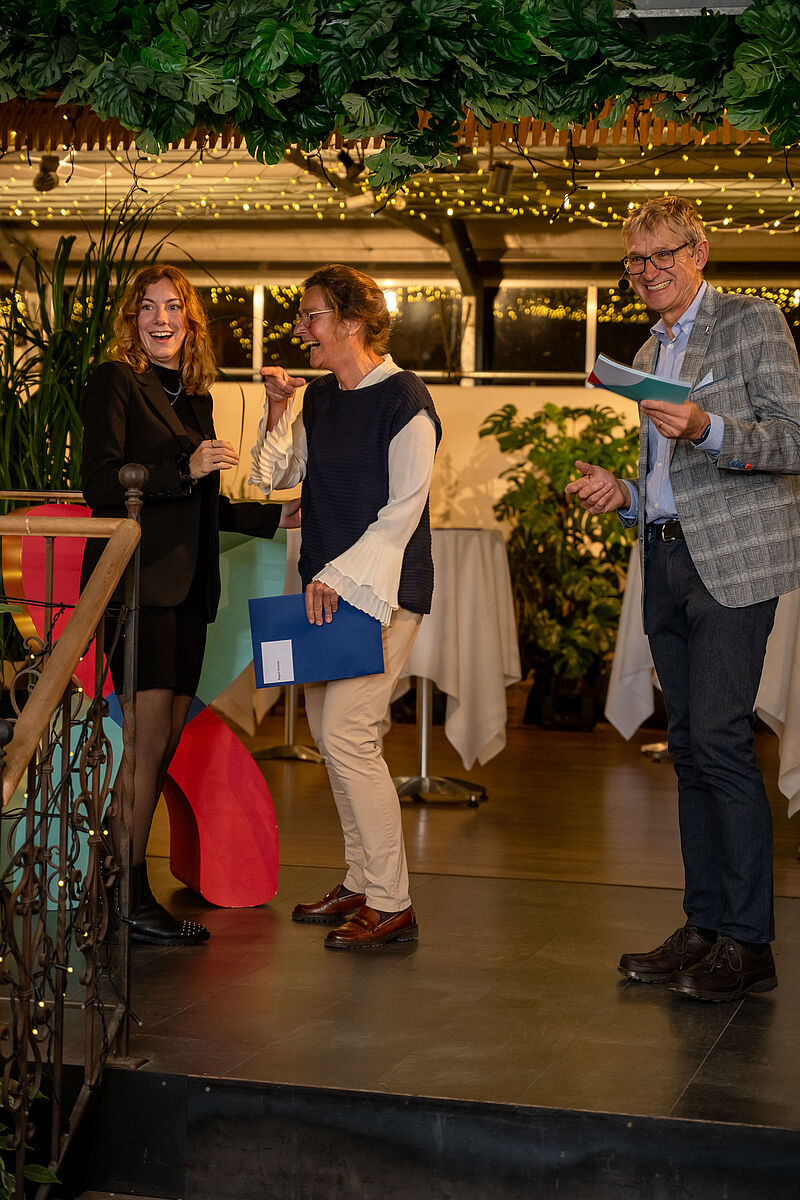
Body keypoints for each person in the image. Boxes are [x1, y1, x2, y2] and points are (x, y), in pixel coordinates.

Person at [566, 195, 800, 1001]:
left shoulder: (751, 321)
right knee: (691, 748)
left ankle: (750, 944)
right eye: (636, 259)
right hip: (665, 557)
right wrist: (624, 495)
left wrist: (708, 428)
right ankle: (705, 926)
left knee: (724, 743)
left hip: (733, 563)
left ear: (700, 253)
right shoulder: (647, 347)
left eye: (662, 254)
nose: (647, 270)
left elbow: (794, 438)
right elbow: (668, 486)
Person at [81, 265, 296, 947]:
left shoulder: (194, 396)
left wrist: (274, 516)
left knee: (165, 737)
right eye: (147, 308)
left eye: (173, 307)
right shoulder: (116, 381)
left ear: (190, 319)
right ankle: (125, 895)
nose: (161, 319)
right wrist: (184, 468)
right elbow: (100, 482)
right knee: (147, 740)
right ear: (133, 320)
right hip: (135, 584)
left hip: (189, 588)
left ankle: (111, 882)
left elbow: (205, 505)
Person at [249, 263, 441, 950]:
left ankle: (391, 901)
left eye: (313, 316)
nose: (301, 328)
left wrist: (335, 574)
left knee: (347, 736)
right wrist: (278, 409)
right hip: (329, 594)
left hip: (383, 593)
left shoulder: (406, 400)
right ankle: (362, 881)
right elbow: (271, 477)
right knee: (337, 741)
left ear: (354, 323)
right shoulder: (323, 398)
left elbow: (402, 512)